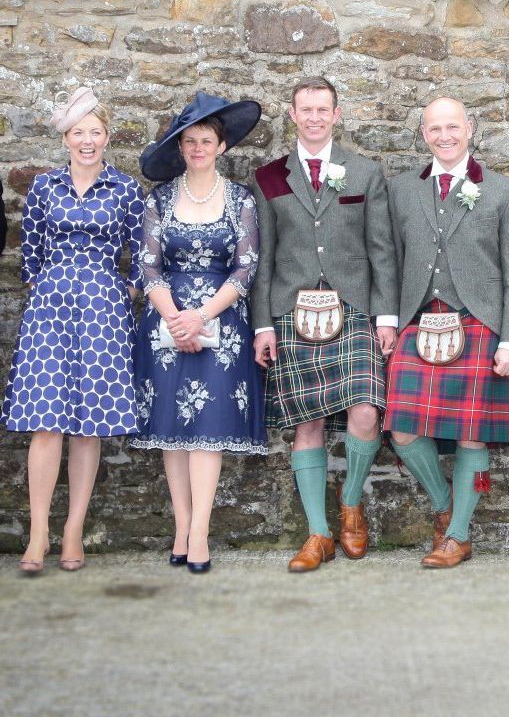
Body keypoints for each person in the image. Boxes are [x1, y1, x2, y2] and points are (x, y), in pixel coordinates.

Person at [250, 76, 397, 573]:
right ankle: (318, 534)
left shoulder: (365, 172)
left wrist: (386, 316)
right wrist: (263, 325)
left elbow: (382, 250)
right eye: (305, 109)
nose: (314, 118)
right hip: (292, 312)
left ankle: (351, 504)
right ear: (292, 115)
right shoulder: (270, 176)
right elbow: (263, 258)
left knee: (366, 411)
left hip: (353, 308)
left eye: (322, 109)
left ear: (337, 114)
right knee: (306, 422)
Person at [382, 97, 509, 569]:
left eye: (452, 127)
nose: (444, 136)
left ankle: (458, 535)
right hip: (418, 320)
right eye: (434, 129)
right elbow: (388, 260)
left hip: (479, 322)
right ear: (423, 134)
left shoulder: (504, 191)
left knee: (472, 434)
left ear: (469, 128)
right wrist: (388, 319)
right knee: (402, 427)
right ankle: (445, 503)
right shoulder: (401, 190)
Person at [5, 88, 144, 575]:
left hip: (104, 309)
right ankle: (38, 532)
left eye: (95, 132)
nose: (87, 141)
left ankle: (73, 531)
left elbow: (142, 255)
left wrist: (124, 292)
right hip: (51, 308)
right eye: (78, 132)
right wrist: (47, 286)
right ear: (66, 138)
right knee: (46, 420)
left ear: (107, 136)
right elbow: (30, 253)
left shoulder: (126, 189)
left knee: (90, 424)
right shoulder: (44, 187)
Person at [132, 93, 266, 574]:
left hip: (221, 321)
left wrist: (202, 316)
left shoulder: (240, 199)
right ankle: (182, 527)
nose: (197, 148)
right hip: (165, 319)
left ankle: (201, 532)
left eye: (206, 141)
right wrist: (175, 318)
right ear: (180, 147)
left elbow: (246, 266)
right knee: (172, 428)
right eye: (189, 141)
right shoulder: (160, 199)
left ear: (221, 146)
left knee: (207, 428)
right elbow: (148, 265)